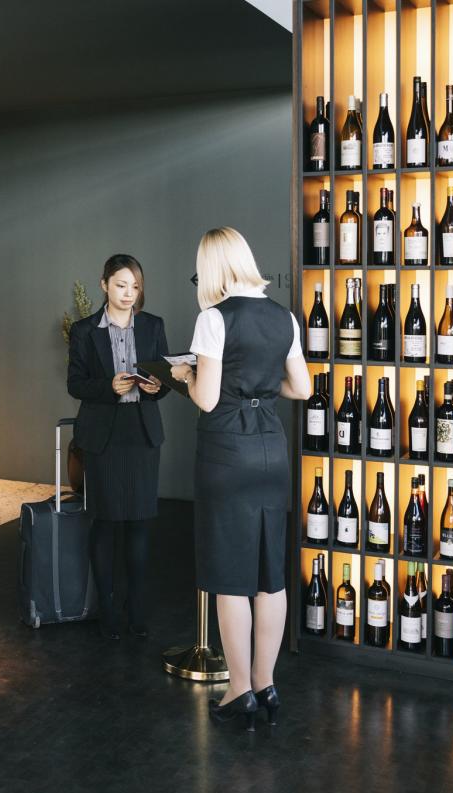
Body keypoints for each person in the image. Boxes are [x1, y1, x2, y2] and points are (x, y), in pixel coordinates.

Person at [172, 227, 310, 730]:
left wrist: (186, 376)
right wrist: (259, 383)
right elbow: (303, 386)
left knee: (230, 578)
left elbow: (206, 399)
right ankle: (267, 681)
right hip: (272, 450)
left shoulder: (214, 318)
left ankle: (239, 690)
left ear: (213, 267)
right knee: (270, 576)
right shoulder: (284, 317)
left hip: (227, 452)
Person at [67, 254, 172, 639]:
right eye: (121, 285)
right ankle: (108, 611)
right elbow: (75, 383)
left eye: (135, 287)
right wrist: (107, 387)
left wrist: (157, 388)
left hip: (142, 434)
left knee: (140, 525)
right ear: (104, 285)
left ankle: (137, 612)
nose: (128, 294)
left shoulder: (153, 326)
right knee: (106, 524)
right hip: (103, 437)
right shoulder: (84, 331)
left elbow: (163, 383)